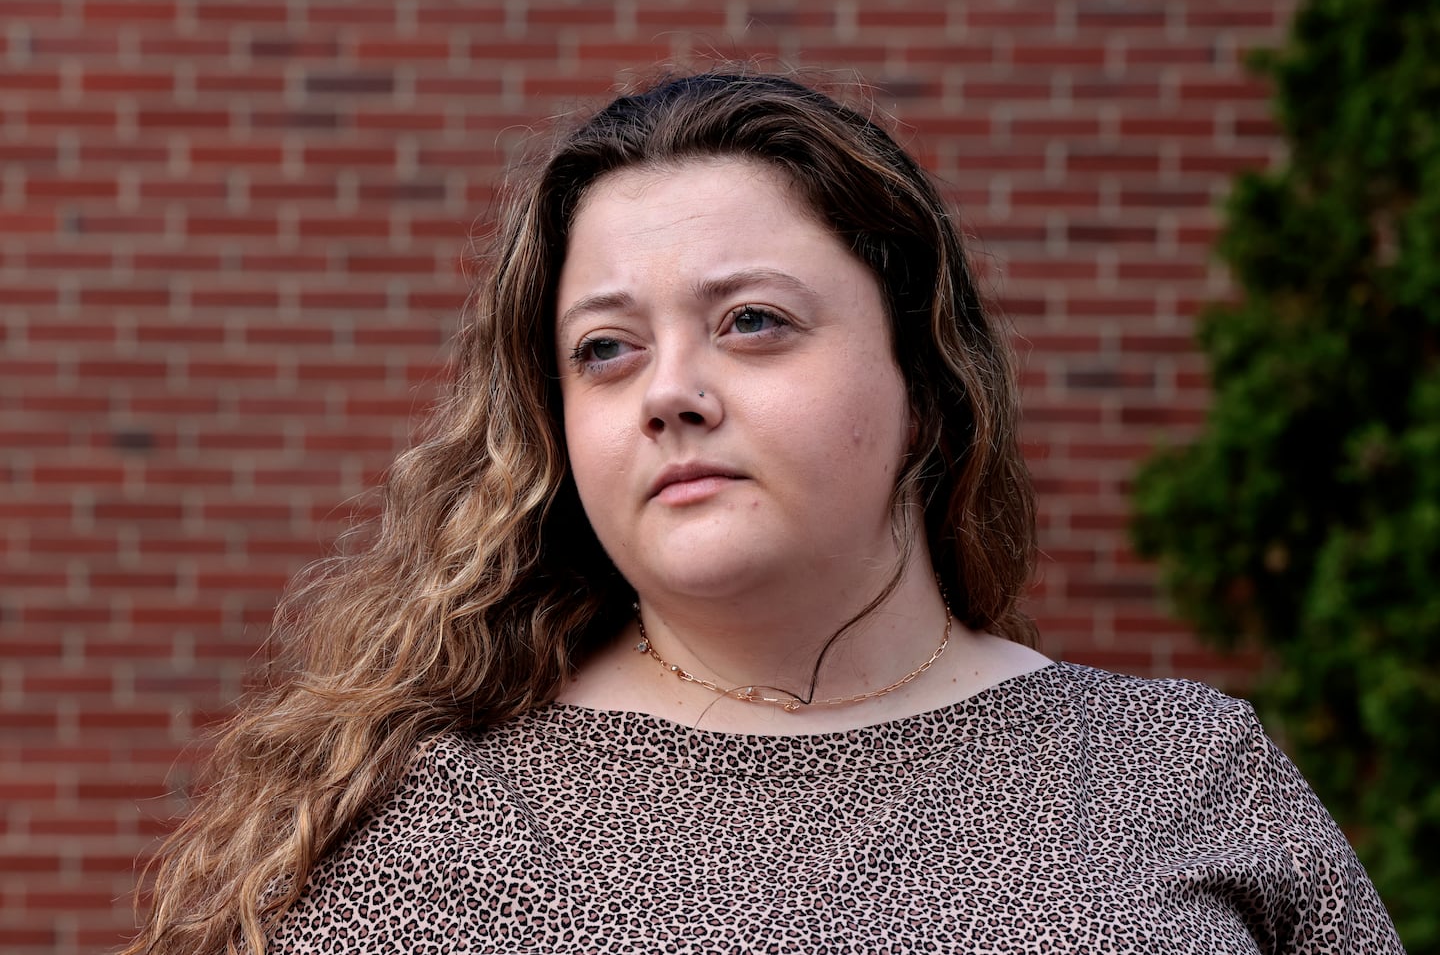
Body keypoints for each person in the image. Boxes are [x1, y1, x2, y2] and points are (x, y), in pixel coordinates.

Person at [125, 68, 1404, 954]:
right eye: (606, 350)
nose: (670, 391)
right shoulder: (440, 834)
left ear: (924, 378)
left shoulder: (1180, 769)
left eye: (752, 322)